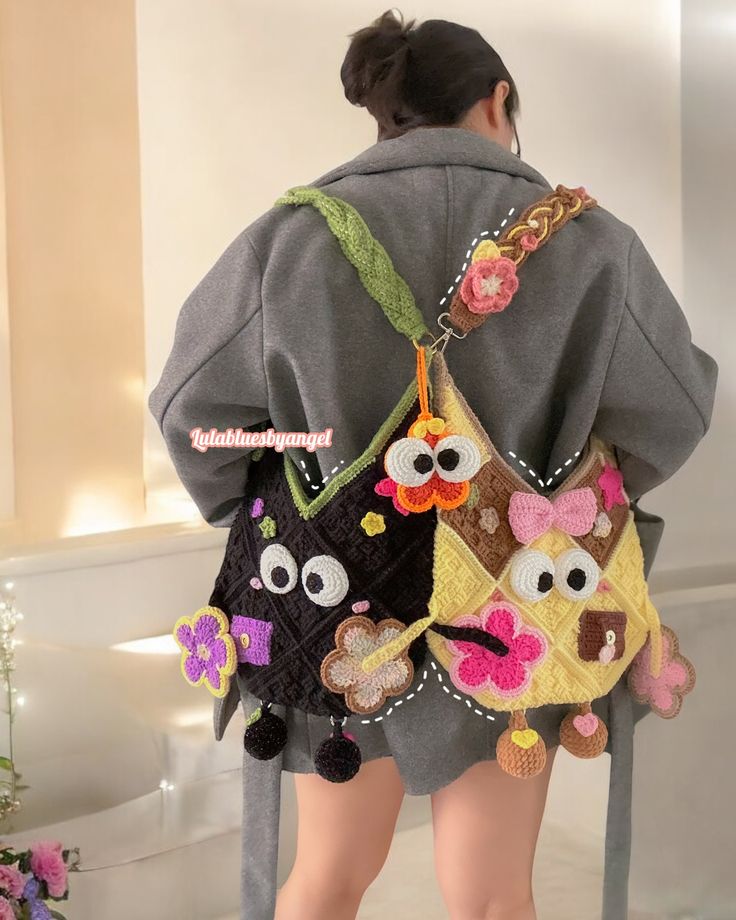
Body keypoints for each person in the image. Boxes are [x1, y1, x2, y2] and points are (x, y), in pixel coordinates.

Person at [149, 10, 718, 920]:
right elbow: (676, 411)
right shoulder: (592, 242)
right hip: (514, 609)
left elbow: (190, 409)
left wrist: (281, 481)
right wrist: (560, 494)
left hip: (335, 610)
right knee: (494, 898)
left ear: (388, 115)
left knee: (326, 882)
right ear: (498, 102)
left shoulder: (288, 239)